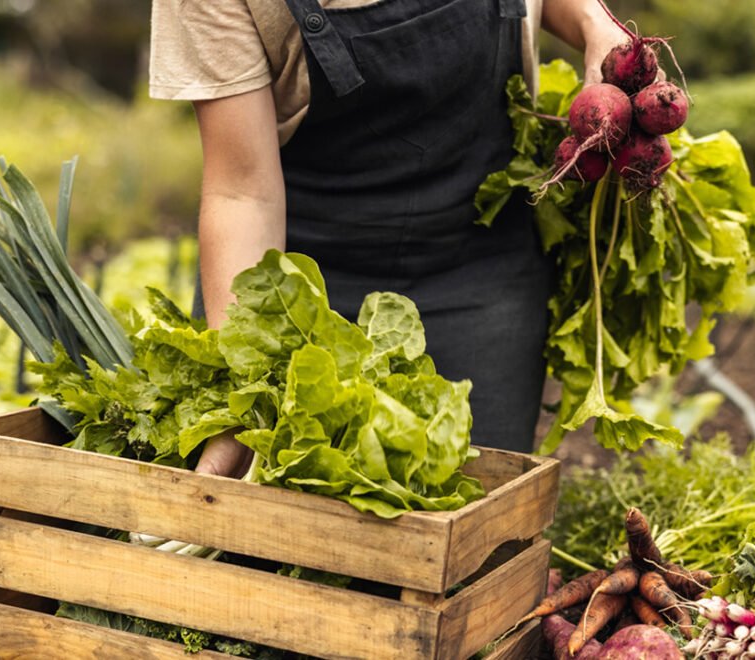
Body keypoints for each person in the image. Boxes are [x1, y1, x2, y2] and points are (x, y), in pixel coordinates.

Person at [150, 0, 627, 477]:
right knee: (271, 536)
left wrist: (593, 23)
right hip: (302, 295)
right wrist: (243, 384)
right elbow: (242, 193)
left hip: (483, 264)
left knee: (475, 522)